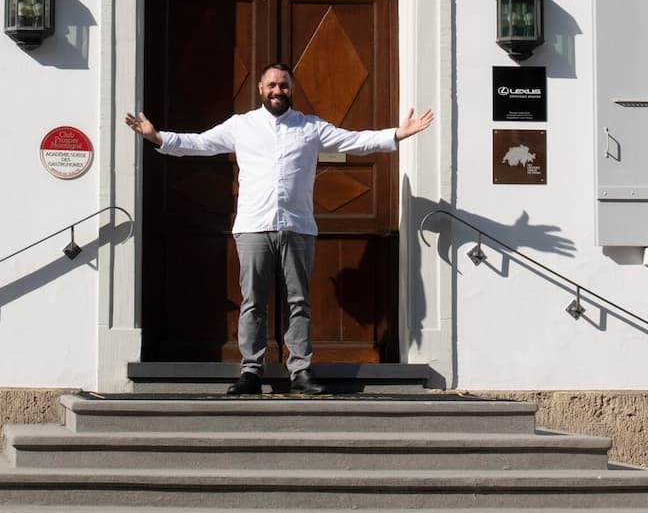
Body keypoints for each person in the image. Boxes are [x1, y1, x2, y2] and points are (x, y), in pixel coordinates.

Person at [125, 62, 433, 397]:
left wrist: (397, 134)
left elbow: (354, 141)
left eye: (283, 85)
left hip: (297, 226)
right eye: (271, 85)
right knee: (253, 301)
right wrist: (157, 137)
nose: (277, 91)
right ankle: (251, 371)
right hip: (253, 226)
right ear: (260, 88)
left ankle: (300, 371)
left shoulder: (309, 127)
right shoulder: (242, 125)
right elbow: (200, 143)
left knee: (298, 301)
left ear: (291, 89)